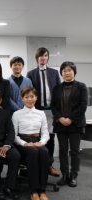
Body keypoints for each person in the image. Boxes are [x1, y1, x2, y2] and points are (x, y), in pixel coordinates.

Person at [51, 61, 87, 187]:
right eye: (64, 70)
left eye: (69, 70)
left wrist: (70, 119)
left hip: (75, 124)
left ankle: (73, 175)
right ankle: (65, 175)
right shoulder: (56, 88)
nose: (67, 73)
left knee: (75, 151)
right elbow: (53, 106)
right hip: (60, 124)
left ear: (74, 72)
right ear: (61, 73)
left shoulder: (81, 86)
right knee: (63, 150)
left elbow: (83, 106)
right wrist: (60, 118)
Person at [12, 87, 50, 200]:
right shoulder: (17, 114)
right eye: (26, 97)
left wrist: (41, 142)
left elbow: (45, 133)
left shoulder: (41, 113)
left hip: (37, 141)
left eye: (32, 97)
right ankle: (33, 190)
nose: (30, 99)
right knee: (33, 152)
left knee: (44, 151)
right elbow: (14, 135)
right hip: (22, 143)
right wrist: (24, 143)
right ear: (22, 99)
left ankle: (42, 190)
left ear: (36, 98)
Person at [27, 47, 61, 177]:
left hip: (51, 112)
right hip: (37, 111)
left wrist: (56, 111)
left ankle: (49, 164)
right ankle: (38, 164)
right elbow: (29, 94)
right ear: (37, 58)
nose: (43, 58)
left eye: (45, 55)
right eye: (41, 56)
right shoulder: (31, 74)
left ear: (47, 57)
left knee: (50, 138)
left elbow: (57, 93)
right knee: (37, 137)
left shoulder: (54, 73)